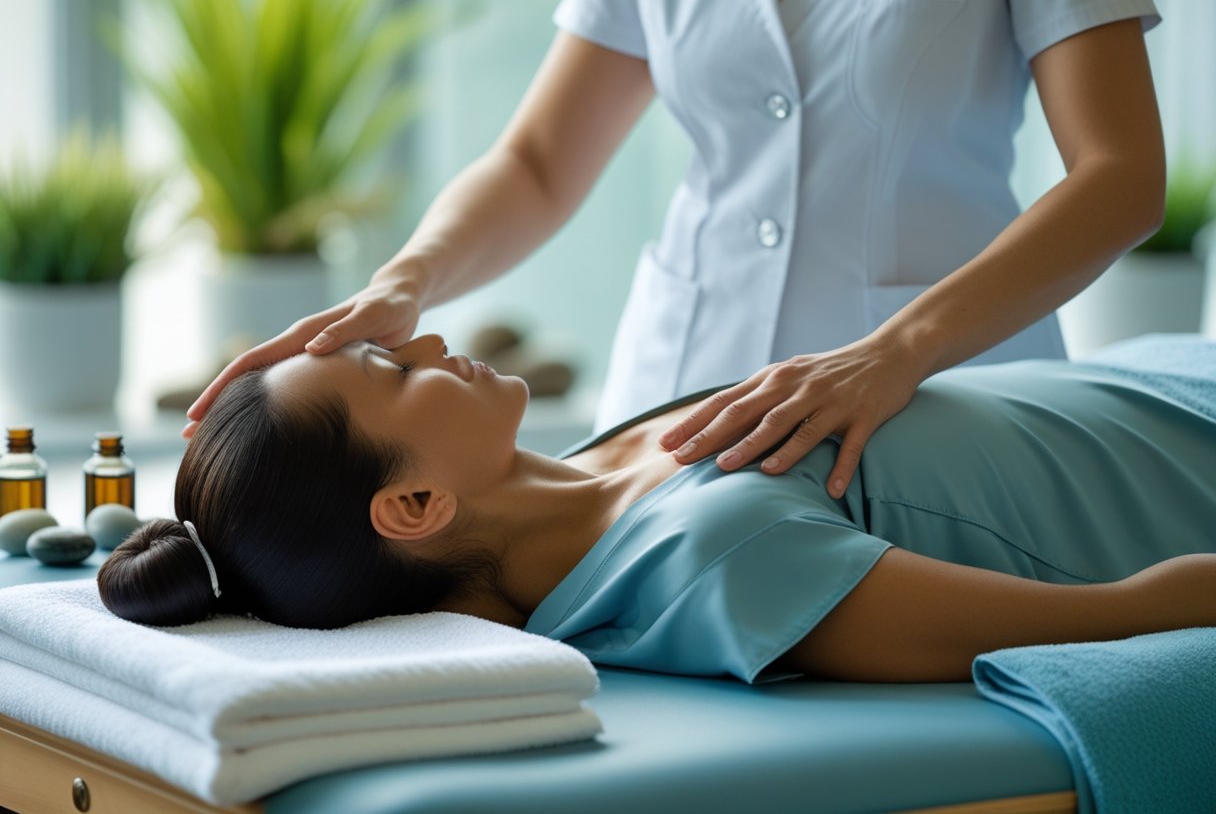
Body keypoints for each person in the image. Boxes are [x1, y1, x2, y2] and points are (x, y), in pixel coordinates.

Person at [182, 0, 1167, 502]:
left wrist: (893, 354)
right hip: (676, 396)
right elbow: (536, 162)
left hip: (935, 398)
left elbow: (1120, 177)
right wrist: (407, 283)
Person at [101, 334, 1216, 683]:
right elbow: (1129, 617)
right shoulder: (716, 569)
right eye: (397, 372)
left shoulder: (595, 461)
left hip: (1165, 373)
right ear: (416, 505)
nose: (434, 341)